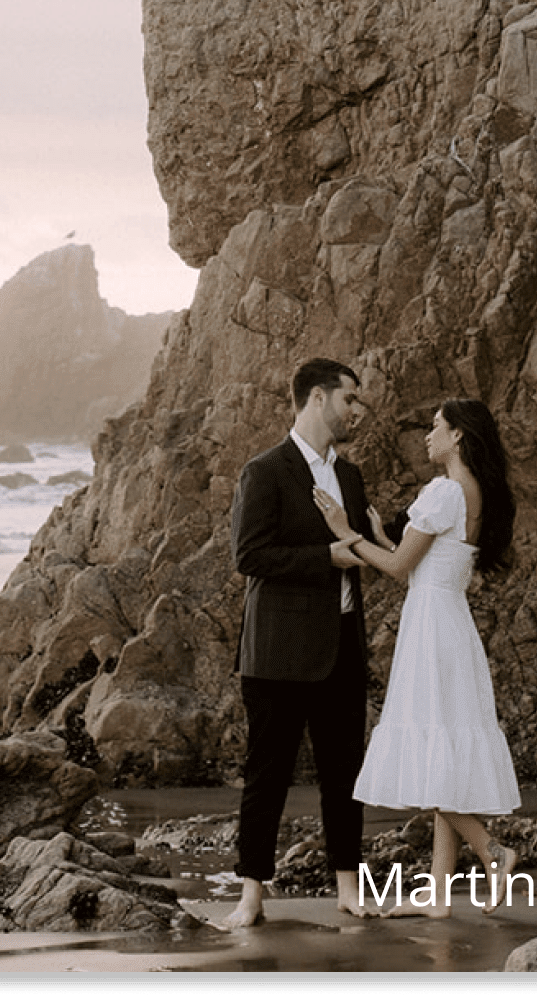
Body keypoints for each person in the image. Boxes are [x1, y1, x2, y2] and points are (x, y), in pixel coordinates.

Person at [316, 397, 521, 917]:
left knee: (434, 758)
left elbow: (396, 567)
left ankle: (492, 851)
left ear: (457, 437)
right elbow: (416, 567)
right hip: (450, 622)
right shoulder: (473, 493)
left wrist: (347, 534)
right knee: (442, 753)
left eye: (435, 427)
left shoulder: (445, 490)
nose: (427, 435)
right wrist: (383, 537)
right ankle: (436, 896)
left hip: (431, 629)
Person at [224, 358, 378, 928]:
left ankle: (348, 889)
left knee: (346, 774)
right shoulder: (265, 471)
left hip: (342, 645)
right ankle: (250, 896)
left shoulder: (352, 477)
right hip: (277, 655)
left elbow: (366, 544)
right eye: (349, 400)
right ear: (317, 398)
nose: (355, 412)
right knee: (268, 774)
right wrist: (326, 558)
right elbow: (248, 555)